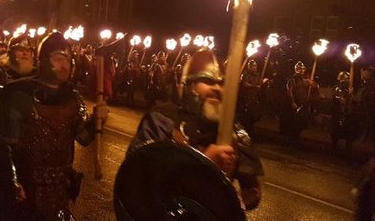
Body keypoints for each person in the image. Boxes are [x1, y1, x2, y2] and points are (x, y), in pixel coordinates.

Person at [125, 49, 263, 214]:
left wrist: (235, 202)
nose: (217, 88)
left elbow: (251, 192)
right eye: (207, 81)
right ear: (189, 85)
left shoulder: (233, 129)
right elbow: (137, 177)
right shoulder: (163, 119)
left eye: (221, 83)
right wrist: (205, 163)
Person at [0, 31, 108, 220]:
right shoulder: (20, 94)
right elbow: (1, 143)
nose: (65, 65)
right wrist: (12, 179)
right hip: (26, 189)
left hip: (60, 191)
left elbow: (83, 138)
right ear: (43, 60)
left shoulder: (72, 98)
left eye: (68, 59)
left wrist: (97, 121)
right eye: (59, 58)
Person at [281, 61, 317, 140]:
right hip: (295, 103)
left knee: (302, 122)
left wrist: (311, 82)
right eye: (300, 69)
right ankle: (292, 138)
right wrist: (292, 102)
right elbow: (289, 91)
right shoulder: (292, 79)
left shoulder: (304, 80)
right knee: (294, 122)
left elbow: (315, 86)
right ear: (297, 69)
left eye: (303, 69)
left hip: (302, 103)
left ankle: (295, 136)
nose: (302, 71)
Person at [331, 71, 356, 152]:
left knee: (348, 129)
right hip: (338, 111)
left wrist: (350, 95)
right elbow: (336, 96)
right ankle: (334, 145)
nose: (346, 80)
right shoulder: (336, 87)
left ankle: (348, 146)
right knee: (336, 128)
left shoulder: (350, 87)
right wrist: (340, 99)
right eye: (344, 78)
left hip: (348, 112)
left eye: (347, 79)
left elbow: (352, 99)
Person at [238, 59, 262, 137]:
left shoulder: (257, 75)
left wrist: (262, 83)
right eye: (254, 66)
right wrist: (255, 86)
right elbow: (245, 84)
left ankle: (251, 132)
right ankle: (244, 133)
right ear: (250, 67)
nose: (255, 67)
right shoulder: (245, 74)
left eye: (255, 66)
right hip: (246, 98)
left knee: (253, 116)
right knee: (245, 117)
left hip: (254, 98)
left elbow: (259, 84)